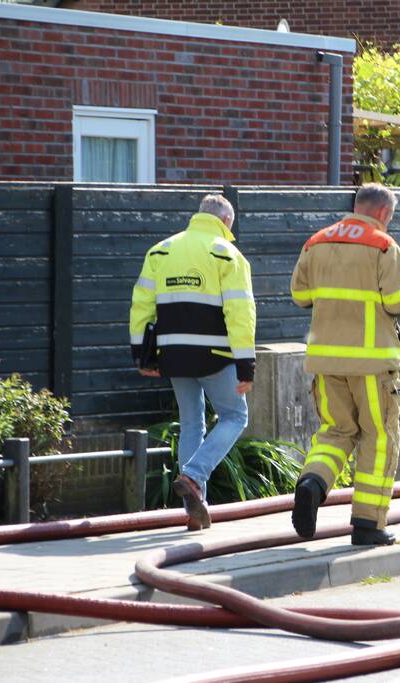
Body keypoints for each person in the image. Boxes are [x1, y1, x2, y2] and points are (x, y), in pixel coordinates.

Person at [289, 183, 400, 546]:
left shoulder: (316, 242)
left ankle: (313, 482)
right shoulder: (382, 245)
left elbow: (300, 295)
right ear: (383, 213)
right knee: (378, 438)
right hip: (373, 365)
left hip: (327, 362)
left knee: (336, 431)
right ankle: (367, 524)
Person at [129, 194, 256, 531]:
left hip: (173, 355)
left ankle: (194, 508)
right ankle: (195, 476)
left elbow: (141, 304)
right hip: (215, 355)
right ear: (226, 222)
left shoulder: (161, 251)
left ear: (199, 215)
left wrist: (141, 354)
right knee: (235, 416)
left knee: (191, 424)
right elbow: (240, 313)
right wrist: (247, 364)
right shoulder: (227, 253)